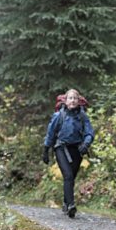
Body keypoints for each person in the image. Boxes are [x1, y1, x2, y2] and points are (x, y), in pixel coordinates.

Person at [43, 88, 94, 218]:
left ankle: (66, 203)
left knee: (72, 177)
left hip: (77, 150)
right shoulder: (58, 116)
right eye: (70, 98)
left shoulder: (82, 116)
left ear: (78, 101)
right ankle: (71, 205)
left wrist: (86, 144)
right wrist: (46, 149)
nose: (72, 101)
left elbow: (89, 133)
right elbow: (50, 133)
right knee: (68, 176)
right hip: (61, 148)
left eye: (75, 98)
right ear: (65, 101)